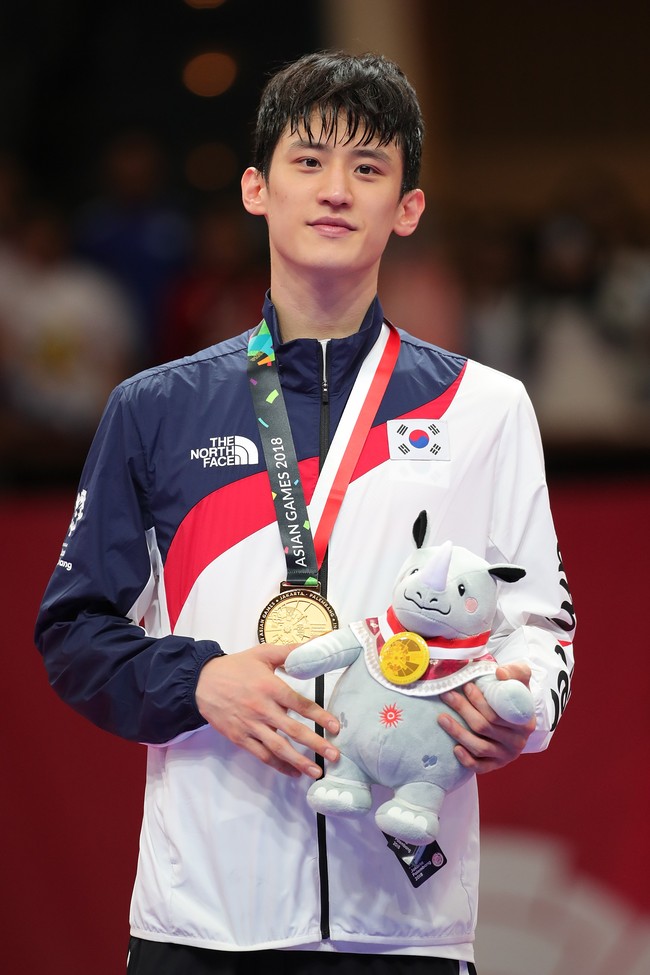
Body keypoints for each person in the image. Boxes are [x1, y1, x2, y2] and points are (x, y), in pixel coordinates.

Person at [35, 52, 575, 975]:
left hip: (404, 920)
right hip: (203, 919)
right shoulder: (154, 408)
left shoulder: (486, 409)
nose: (336, 191)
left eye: (369, 168)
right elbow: (75, 634)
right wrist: (200, 682)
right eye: (308, 161)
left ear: (407, 206)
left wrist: (520, 710)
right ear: (256, 188)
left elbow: (541, 625)